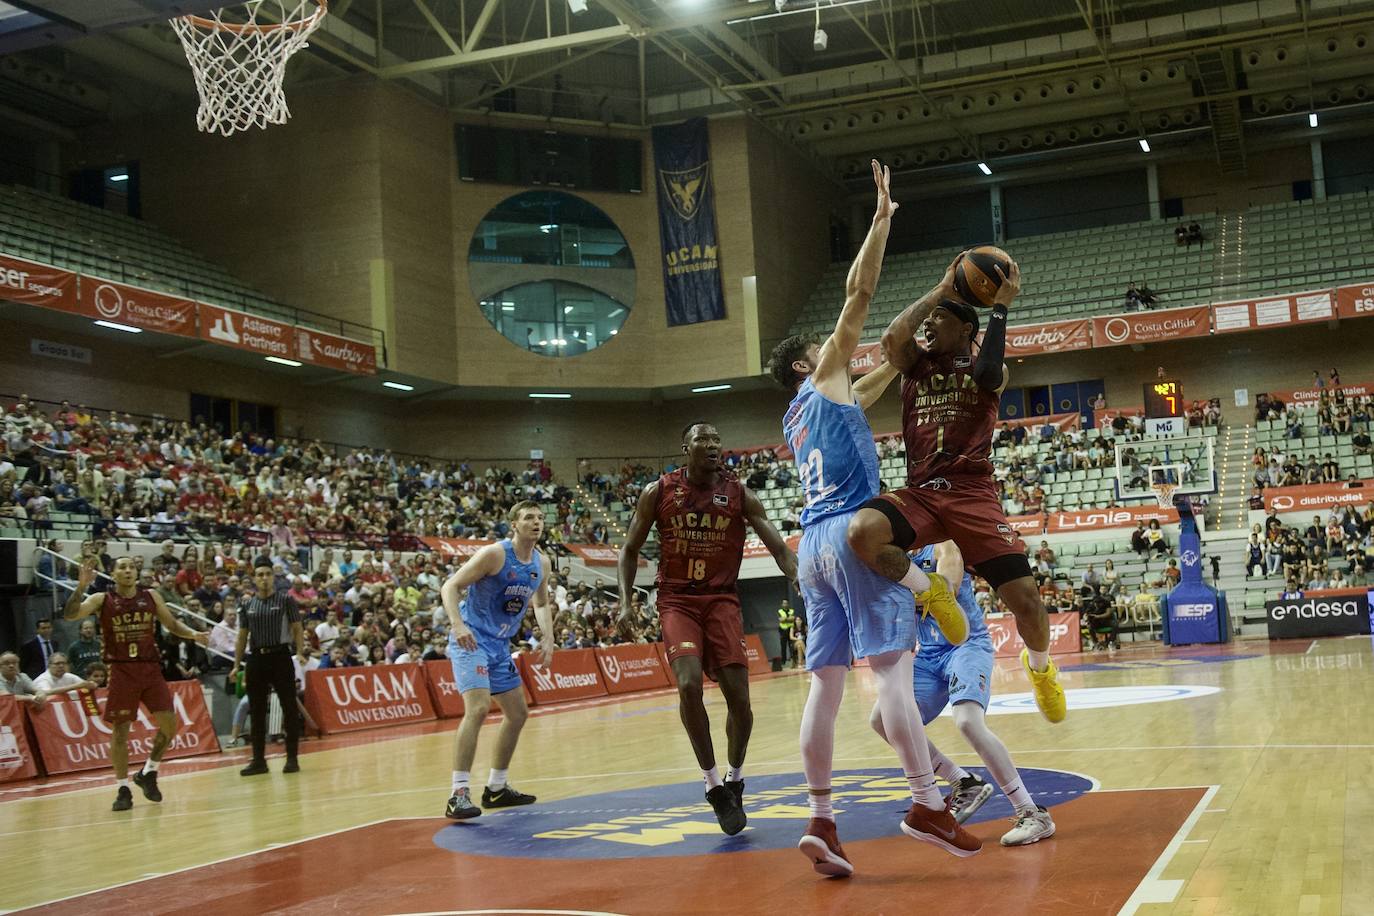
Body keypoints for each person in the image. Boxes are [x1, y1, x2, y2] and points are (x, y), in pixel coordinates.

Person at [766, 158, 976, 876]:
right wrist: (882, 219)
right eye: (823, 352)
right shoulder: (822, 372)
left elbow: (874, 378)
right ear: (807, 364)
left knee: (824, 685)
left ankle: (821, 820)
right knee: (891, 672)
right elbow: (859, 292)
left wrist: (904, 359)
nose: (836, 351)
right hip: (854, 533)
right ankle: (926, 801)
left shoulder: (802, 414)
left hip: (810, 546)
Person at [844, 249, 1066, 723]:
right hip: (921, 491)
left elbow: (988, 372)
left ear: (967, 329)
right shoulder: (913, 366)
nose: (929, 325)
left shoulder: (989, 370)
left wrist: (1001, 307)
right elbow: (890, 338)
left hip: (971, 495)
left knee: (1026, 601)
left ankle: (1042, 667)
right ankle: (930, 591)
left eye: (940, 319)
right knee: (861, 531)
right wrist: (941, 292)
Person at [617, 422, 798, 836]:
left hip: (721, 601)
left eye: (717, 440)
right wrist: (627, 601)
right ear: (686, 448)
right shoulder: (658, 491)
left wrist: (797, 573)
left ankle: (735, 777)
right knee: (688, 685)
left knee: (740, 701)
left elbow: (776, 545)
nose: (713, 445)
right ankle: (713, 783)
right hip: (677, 599)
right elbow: (629, 548)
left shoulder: (739, 494)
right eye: (704, 440)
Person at [872, 541, 1056, 846]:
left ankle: (1032, 812)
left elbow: (947, 592)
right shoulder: (888, 558)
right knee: (882, 718)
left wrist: (891, 598)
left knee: (968, 721)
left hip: (966, 646)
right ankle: (963, 781)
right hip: (928, 655)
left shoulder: (943, 547)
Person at [63, 556, 209, 812]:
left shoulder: (151, 596)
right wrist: (81, 587)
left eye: (131, 567)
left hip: (150, 669)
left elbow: (172, 624)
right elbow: (70, 615)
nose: (128, 570)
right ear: (114, 573)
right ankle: (122, 788)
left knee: (170, 726)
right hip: (121, 670)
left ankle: (148, 772)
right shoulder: (101, 599)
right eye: (122, 567)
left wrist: (193, 634)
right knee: (120, 732)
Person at [440, 500, 554, 820]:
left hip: (500, 645)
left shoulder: (541, 563)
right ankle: (458, 793)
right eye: (529, 517)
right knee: (477, 709)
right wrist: (457, 625)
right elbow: (450, 586)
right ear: (514, 525)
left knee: (517, 714)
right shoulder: (495, 554)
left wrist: (548, 636)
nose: (536, 522)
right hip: (471, 639)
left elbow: (541, 603)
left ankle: (496, 788)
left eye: (540, 517)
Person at [229, 557, 305, 777]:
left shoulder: (285, 601)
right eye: (260, 574)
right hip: (256, 659)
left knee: (289, 707)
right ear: (254, 578)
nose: (264, 578)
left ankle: (292, 758)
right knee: (257, 710)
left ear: (273, 577)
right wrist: (236, 665)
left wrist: (299, 652)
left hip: (280, 656)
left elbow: (297, 628)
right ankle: (259, 760)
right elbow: (242, 637)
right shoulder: (246, 604)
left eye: (267, 574)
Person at [776, 598, 798, 670]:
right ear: (782, 605)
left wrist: (785, 619)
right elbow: (781, 620)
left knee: (791, 646)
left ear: (788, 604)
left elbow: (793, 618)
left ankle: (793, 660)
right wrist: (788, 619)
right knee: (783, 646)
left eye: (786, 603)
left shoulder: (792, 611)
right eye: (784, 603)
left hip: (790, 630)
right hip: (783, 630)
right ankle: (783, 661)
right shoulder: (780, 611)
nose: (785, 604)